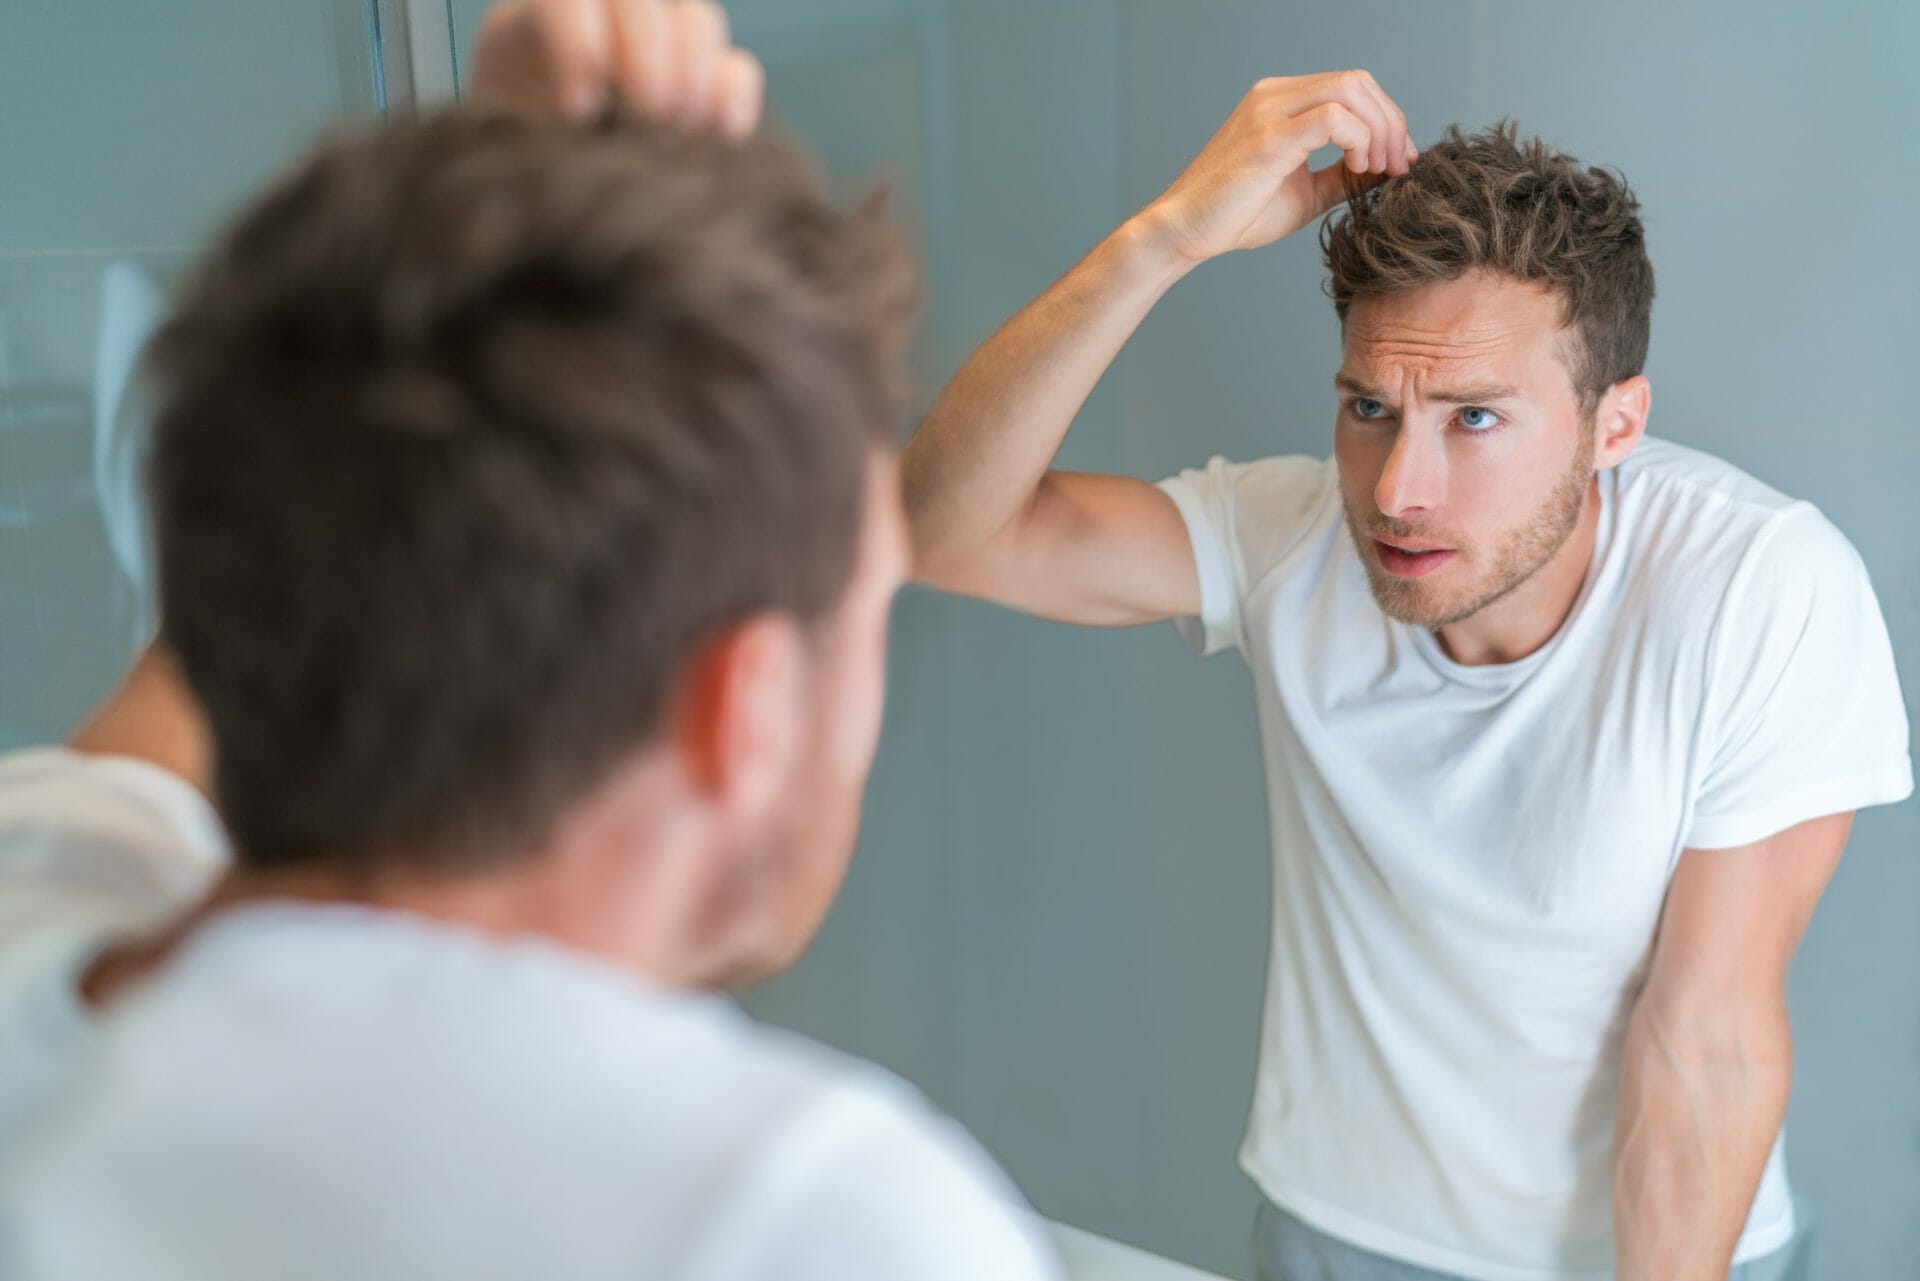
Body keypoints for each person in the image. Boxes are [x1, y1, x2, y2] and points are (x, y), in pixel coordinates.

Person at [0, 8, 1062, 1278]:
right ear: (752, 708)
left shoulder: (42, 902)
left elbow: (278, 573)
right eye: (873, 607)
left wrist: (480, 196)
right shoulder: (797, 1216)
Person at [899, 72, 1913, 1281]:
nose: (1397, 491)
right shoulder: (1287, 534)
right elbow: (943, 528)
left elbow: (1706, 1037)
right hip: (1337, 1237)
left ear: (1616, 426)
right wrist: (1165, 238)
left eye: (1475, 418)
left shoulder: (1759, 587)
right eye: (1370, 407)